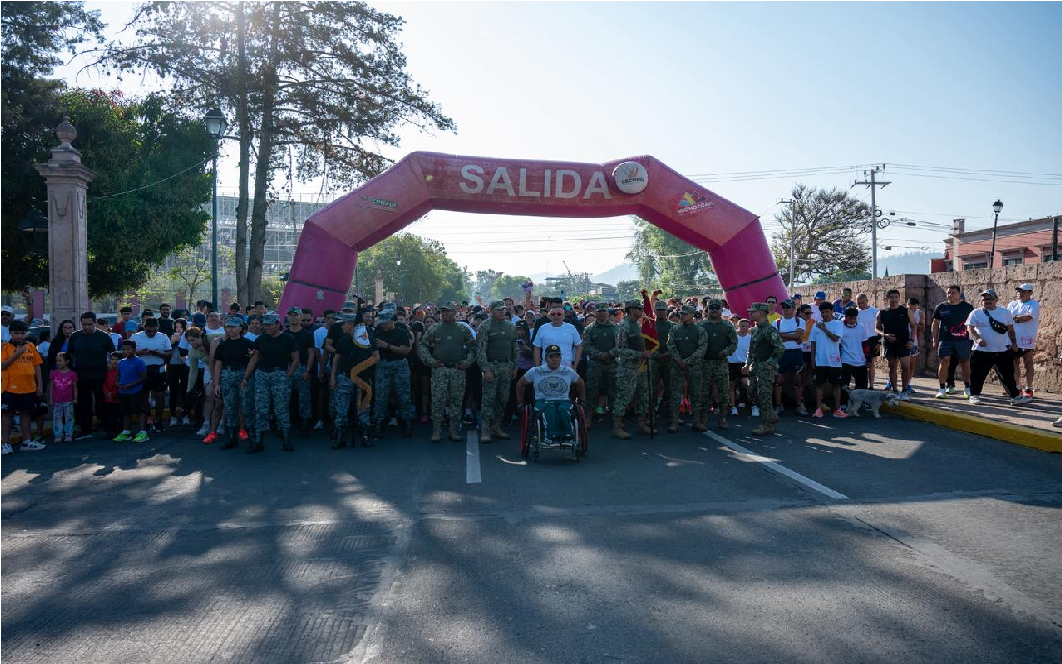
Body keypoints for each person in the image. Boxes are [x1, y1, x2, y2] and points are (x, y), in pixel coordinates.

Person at [417, 302, 474, 442]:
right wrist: (430, 361)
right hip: (440, 369)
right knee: (438, 401)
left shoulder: (462, 329)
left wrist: (466, 362)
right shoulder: (435, 328)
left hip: (457, 369)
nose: (444, 314)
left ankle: (453, 431)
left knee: (456, 401)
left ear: (454, 313)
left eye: (447, 311)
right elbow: (422, 345)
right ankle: (436, 431)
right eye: (442, 311)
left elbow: (473, 347)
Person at [242, 314, 299, 452]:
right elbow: (254, 359)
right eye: (265, 325)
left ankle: (286, 439)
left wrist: (288, 375)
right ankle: (258, 441)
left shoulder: (288, 339)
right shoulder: (261, 339)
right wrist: (245, 377)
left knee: (281, 409)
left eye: (269, 325)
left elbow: (296, 360)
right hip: (262, 375)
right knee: (261, 409)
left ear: (277, 324)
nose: (266, 328)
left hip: (280, 374)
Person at [965, 289, 1030, 406]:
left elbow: (1010, 330)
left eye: (989, 298)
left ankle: (1015, 397)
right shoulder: (976, 313)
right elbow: (970, 328)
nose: (987, 301)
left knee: (1008, 375)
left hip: (1001, 350)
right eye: (984, 299)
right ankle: (974, 395)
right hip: (981, 351)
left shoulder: (1005, 312)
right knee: (977, 375)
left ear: (996, 299)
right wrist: (978, 339)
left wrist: (1014, 343)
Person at [513, 344, 586, 438]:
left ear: (561, 358)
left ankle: (568, 433)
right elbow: (520, 384)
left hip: (563, 401)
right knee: (550, 407)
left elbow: (581, 384)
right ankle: (552, 434)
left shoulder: (568, 371)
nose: (554, 359)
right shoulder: (536, 371)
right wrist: (520, 403)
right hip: (543, 402)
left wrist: (582, 400)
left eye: (557, 356)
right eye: (551, 357)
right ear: (545, 358)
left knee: (562, 409)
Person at [331, 312, 378, 449]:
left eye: (344, 324)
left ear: (352, 325)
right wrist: (333, 377)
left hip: (362, 378)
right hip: (345, 377)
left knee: (363, 407)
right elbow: (336, 360)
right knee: (341, 407)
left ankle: (364, 435)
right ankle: (341, 436)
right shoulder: (342, 341)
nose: (342, 327)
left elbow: (376, 357)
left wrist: (360, 368)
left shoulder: (367, 339)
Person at [67, 312, 117, 439]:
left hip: (100, 376)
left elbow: (113, 353)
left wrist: (110, 363)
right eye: (84, 324)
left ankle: (109, 429)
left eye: (89, 324)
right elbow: (70, 353)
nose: (86, 327)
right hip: (81, 375)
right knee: (84, 404)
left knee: (102, 403)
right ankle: (86, 430)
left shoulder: (103, 337)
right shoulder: (75, 336)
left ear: (95, 323)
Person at [208, 316, 255, 449]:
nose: (231, 330)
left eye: (233, 327)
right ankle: (231, 438)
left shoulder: (248, 343)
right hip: (227, 376)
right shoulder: (223, 345)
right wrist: (217, 383)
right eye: (228, 327)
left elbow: (253, 360)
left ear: (240, 328)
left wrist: (246, 377)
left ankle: (253, 438)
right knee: (230, 408)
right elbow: (218, 364)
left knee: (246, 407)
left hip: (243, 376)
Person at [475, 301, 517, 443]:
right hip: (491, 366)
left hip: (506, 367)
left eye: (503, 309)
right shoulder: (485, 326)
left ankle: (496, 427)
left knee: (502, 399)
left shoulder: (510, 326)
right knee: (488, 399)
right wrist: (485, 369)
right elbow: (480, 350)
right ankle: (485, 429)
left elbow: (514, 348)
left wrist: (515, 367)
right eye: (499, 310)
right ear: (491, 311)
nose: (502, 312)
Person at [2, 321, 45, 453]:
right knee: (8, 414)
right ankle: (5, 443)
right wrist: (17, 354)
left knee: (26, 413)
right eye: (16, 333)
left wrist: (40, 384)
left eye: (22, 333)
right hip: (10, 387)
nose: (19, 336)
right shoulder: (4, 347)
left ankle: (26, 442)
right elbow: (2, 366)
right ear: (11, 333)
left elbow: (37, 365)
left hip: (29, 387)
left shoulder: (31, 346)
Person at [610, 299, 652, 440]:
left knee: (643, 396)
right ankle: (617, 427)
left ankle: (641, 425)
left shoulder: (639, 325)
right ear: (631, 309)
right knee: (623, 398)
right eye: (639, 308)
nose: (641, 311)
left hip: (642, 368)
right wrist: (640, 354)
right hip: (628, 369)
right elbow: (620, 350)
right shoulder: (623, 326)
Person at [373, 310, 415, 439]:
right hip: (383, 364)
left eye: (386, 322)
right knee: (381, 396)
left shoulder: (401, 332)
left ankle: (406, 422)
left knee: (403, 395)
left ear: (392, 321)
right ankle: (379, 423)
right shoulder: (378, 332)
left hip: (399, 364)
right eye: (381, 323)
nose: (383, 325)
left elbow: (404, 350)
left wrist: (387, 346)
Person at [743, 303, 785, 435]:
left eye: (752, 311)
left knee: (764, 395)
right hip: (755, 366)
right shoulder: (756, 330)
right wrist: (747, 364)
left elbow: (780, 347)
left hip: (765, 367)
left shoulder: (769, 329)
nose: (750, 313)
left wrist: (771, 362)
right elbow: (751, 350)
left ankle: (767, 425)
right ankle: (770, 414)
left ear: (761, 313)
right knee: (751, 392)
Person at [667, 305, 708, 432]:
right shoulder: (675, 329)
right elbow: (670, 346)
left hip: (694, 366)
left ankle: (696, 421)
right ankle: (674, 421)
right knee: (675, 394)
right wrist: (679, 360)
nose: (682, 315)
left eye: (685, 313)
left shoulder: (700, 330)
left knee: (696, 394)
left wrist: (688, 360)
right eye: (681, 313)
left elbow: (702, 348)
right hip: (677, 366)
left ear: (692, 315)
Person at [697, 299, 736, 430]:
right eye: (711, 307)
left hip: (721, 363)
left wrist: (724, 352)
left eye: (717, 307)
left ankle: (722, 418)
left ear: (721, 310)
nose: (714, 310)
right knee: (703, 392)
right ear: (707, 309)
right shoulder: (701, 325)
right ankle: (703, 418)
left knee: (723, 392)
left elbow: (733, 343)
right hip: (704, 363)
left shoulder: (727, 325)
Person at [931, 285, 974, 399]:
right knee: (944, 362)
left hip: (963, 340)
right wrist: (934, 338)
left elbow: (973, 324)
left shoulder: (968, 307)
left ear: (959, 294)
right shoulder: (941, 307)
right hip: (945, 340)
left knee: (965, 363)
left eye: (953, 293)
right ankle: (942, 389)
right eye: (948, 293)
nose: (950, 295)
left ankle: (967, 388)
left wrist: (974, 338)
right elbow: (935, 323)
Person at [130, 317, 171, 433]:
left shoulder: (163, 337)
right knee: (144, 398)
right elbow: (127, 352)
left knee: (160, 396)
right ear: (144, 328)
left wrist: (156, 353)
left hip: (158, 370)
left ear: (157, 328)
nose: (151, 333)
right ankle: (147, 420)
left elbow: (169, 355)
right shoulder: (135, 337)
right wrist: (139, 353)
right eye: (148, 331)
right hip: (142, 371)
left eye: (154, 331)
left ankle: (158, 420)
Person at [876, 289, 917, 398]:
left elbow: (913, 326)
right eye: (891, 297)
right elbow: (877, 329)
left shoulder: (906, 311)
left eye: (896, 297)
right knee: (892, 367)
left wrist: (911, 340)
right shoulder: (882, 312)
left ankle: (904, 391)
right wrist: (885, 335)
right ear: (887, 298)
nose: (894, 299)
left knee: (906, 367)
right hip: (889, 343)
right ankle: (894, 391)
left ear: (899, 298)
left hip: (904, 343)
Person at [809, 302, 846, 417]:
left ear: (832, 311)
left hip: (834, 362)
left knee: (836, 385)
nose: (824, 314)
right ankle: (818, 409)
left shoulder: (837, 324)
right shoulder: (816, 325)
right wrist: (812, 360)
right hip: (820, 361)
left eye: (827, 312)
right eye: (822, 312)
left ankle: (837, 410)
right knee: (819, 385)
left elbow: (835, 339)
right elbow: (813, 343)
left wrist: (824, 330)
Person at [283, 306, 317, 436]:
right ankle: (284, 425)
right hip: (286, 369)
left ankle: (304, 424)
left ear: (300, 316)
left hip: (302, 368)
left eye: (295, 315)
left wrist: (307, 370)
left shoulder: (307, 335)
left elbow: (311, 354)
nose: (293, 317)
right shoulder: (284, 334)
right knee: (284, 398)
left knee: (304, 397)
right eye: (290, 315)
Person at [582, 304, 617, 424]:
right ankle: (588, 417)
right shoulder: (589, 328)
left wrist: (609, 354)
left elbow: (621, 344)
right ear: (595, 312)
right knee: (591, 391)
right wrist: (600, 355)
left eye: (604, 311)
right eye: (599, 311)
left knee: (613, 392)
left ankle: (616, 421)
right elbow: (586, 345)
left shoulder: (615, 328)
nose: (602, 313)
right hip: (595, 364)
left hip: (612, 363)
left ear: (608, 312)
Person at [773, 299, 805, 416]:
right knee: (778, 380)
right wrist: (793, 337)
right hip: (781, 353)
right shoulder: (776, 322)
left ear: (794, 309)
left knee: (798, 380)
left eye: (788, 307)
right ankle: (778, 406)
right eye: (783, 307)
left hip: (796, 353)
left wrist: (782, 335)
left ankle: (799, 406)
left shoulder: (800, 321)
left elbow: (797, 335)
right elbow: (776, 339)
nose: (785, 309)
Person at [1007, 283, 1039, 398]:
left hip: (1027, 339)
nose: (1020, 293)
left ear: (1030, 293)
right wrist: (1015, 319)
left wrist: (1013, 318)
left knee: (1028, 363)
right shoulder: (1012, 304)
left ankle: (1029, 388)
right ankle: (1017, 387)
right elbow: (1006, 318)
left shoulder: (1034, 304)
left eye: (1024, 291)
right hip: (1013, 339)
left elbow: (1026, 318)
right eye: (1019, 291)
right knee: (1015, 363)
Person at [114, 339, 149, 443]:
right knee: (125, 412)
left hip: (136, 391)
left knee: (140, 411)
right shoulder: (121, 362)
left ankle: (143, 433)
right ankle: (126, 432)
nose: (125, 351)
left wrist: (131, 385)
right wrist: (117, 383)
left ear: (134, 350)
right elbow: (119, 375)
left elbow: (144, 377)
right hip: (123, 392)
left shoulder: (139, 362)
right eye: (123, 349)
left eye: (128, 349)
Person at [532, 304, 582, 368]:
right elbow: (537, 348)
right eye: (553, 314)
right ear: (549, 316)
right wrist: (537, 367)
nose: (556, 316)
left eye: (559, 314)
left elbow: (579, 347)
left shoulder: (571, 328)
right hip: (546, 367)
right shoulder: (543, 328)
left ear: (563, 316)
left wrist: (575, 366)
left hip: (566, 368)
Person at [47, 351, 77, 444]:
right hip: (57, 400)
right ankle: (58, 435)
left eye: (60, 361)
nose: (58, 363)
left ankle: (69, 434)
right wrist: (51, 399)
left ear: (67, 361)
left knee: (69, 417)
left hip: (68, 400)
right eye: (57, 361)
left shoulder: (72, 374)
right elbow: (51, 387)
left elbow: (74, 387)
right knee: (57, 418)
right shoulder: (53, 373)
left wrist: (75, 398)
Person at [839, 308, 871, 391]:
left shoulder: (861, 327)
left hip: (860, 360)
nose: (853, 321)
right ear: (846, 317)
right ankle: (844, 399)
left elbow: (865, 343)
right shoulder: (840, 327)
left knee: (862, 387)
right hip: (845, 360)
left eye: (854, 318)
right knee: (844, 386)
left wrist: (868, 358)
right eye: (850, 318)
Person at [855, 294, 880, 389]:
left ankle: (872, 385)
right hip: (859, 339)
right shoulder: (855, 312)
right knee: (861, 363)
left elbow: (880, 327)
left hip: (872, 339)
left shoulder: (875, 311)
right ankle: (862, 384)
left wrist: (879, 342)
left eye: (862, 302)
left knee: (872, 362)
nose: (860, 305)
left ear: (867, 301)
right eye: (858, 303)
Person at [727, 318, 751, 416]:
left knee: (746, 384)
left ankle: (753, 405)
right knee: (731, 386)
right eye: (742, 326)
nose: (744, 328)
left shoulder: (750, 337)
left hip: (744, 364)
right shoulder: (732, 336)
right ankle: (733, 407)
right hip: (731, 363)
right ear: (738, 326)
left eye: (746, 326)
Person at [102, 352, 121, 438]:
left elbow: (120, 385)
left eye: (117, 359)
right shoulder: (107, 372)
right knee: (109, 415)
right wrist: (107, 393)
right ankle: (110, 432)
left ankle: (119, 431)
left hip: (118, 397)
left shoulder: (121, 372)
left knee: (118, 415)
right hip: (108, 398)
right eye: (113, 359)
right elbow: (103, 384)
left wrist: (113, 393)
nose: (115, 361)